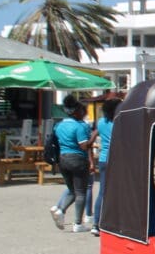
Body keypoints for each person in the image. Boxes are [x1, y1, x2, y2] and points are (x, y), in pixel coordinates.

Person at [48, 96, 94, 233]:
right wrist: (93, 137)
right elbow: (84, 146)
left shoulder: (59, 125)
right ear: (76, 111)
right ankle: (78, 223)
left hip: (63, 159)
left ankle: (60, 210)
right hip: (78, 160)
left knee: (72, 190)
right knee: (81, 192)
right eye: (81, 110)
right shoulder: (80, 126)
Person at [89, 98, 120, 231]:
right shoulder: (120, 122)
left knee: (102, 192)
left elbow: (92, 138)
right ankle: (115, 222)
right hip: (117, 160)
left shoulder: (101, 122)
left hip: (103, 159)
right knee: (119, 192)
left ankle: (96, 223)